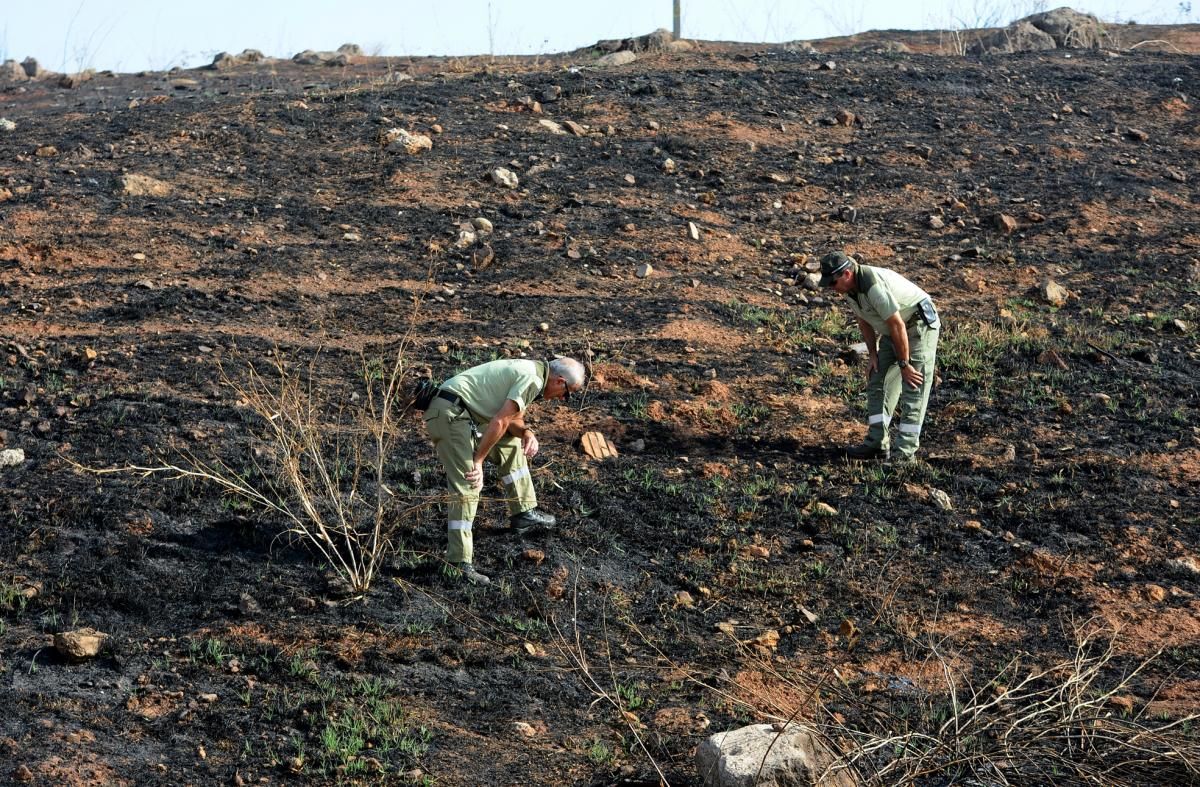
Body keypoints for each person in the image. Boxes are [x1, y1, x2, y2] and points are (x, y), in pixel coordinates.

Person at [422, 356, 585, 584]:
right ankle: (458, 563)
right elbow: (499, 421)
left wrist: (527, 432)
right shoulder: (533, 378)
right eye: (568, 393)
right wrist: (478, 461)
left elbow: (512, 420)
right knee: (469, 480)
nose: (564, 398)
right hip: (450, 414)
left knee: (510, 445)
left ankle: (524, 514)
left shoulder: (535, 374)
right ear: (559, 381)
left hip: (464, 412)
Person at [819, 250, 940, 462]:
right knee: (877, 378)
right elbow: (864, 320)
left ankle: (904, 454)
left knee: (913, 384)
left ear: (846, 274)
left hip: (916, 326)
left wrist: (904, 364)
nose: (832, 289)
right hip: (892, 330)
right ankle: (876, 443)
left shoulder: (872, 285)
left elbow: (897, 324)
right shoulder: (849, 290)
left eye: (833, 283)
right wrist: (873, 354)